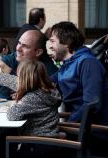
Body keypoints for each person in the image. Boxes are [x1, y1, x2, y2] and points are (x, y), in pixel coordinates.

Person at [48, 21, 108, 155]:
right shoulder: (68, 64)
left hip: (93, 137)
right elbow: (44, 83)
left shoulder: (87, 63)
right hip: (77, 130)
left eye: (52, 41)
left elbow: (92, 104)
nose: (50, 46)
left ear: (67, 42)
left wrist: (67, 125)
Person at [0, 60, 61, 157]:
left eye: (19, 77)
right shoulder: (49, 90)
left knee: (4, 138)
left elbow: (12, 115)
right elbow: (18, 84)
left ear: (24, 79)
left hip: (36, 146)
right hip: (49, 142)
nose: (18, 80)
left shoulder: (32, 97)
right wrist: (0, 76)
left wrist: (18, 101)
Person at [0, 30, 58, 99]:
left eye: (25, 46)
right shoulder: (14, 58)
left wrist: (9, 72)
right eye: (19, 43)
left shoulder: (49, 70)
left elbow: (50, 95)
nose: (18, 48)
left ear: (38, 52)